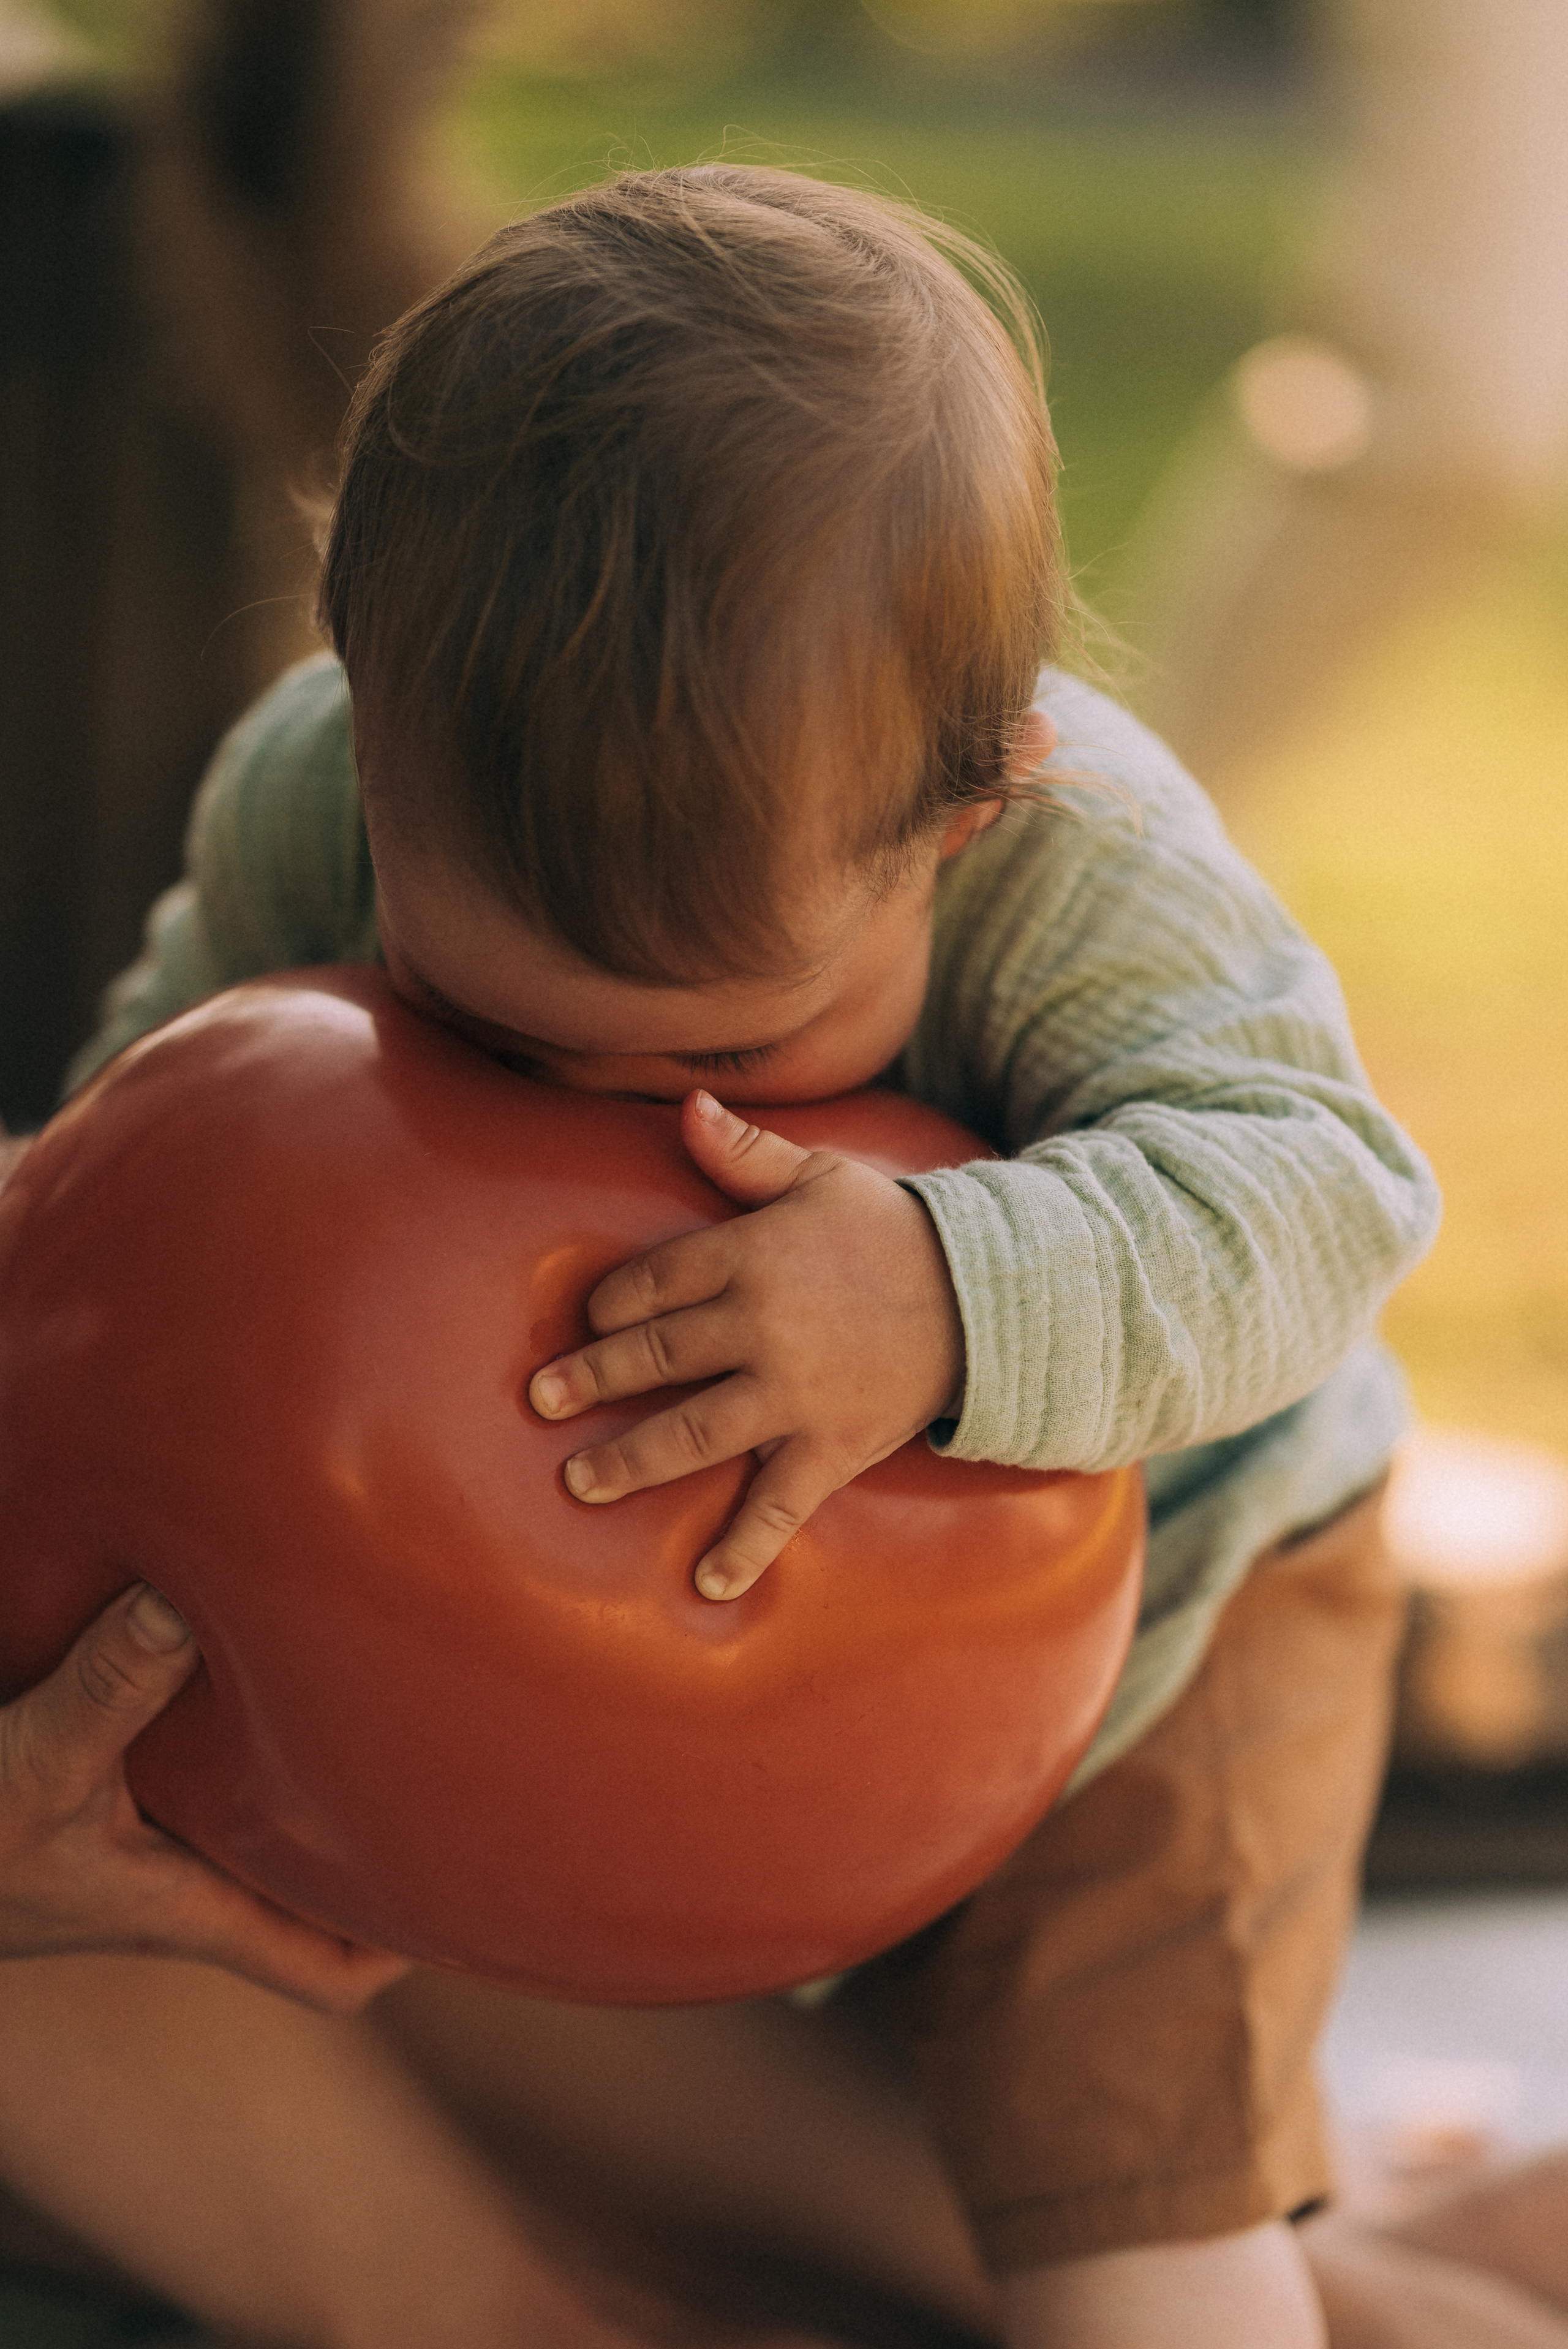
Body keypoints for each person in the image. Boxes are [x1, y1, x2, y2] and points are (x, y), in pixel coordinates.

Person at [0, 166, 1441, 2345]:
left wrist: (949, 1290)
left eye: (731, 1046)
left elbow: (1330, 1194)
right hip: (736, 1689)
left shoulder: (1085, 869)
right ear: (363, 704)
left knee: (1115, 2196)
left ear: (969, 803)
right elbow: (165, 1122)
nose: (592, 1125)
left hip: (1186, 1609)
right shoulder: (315, 783)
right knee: (837, 2107)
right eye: (487, 1028)